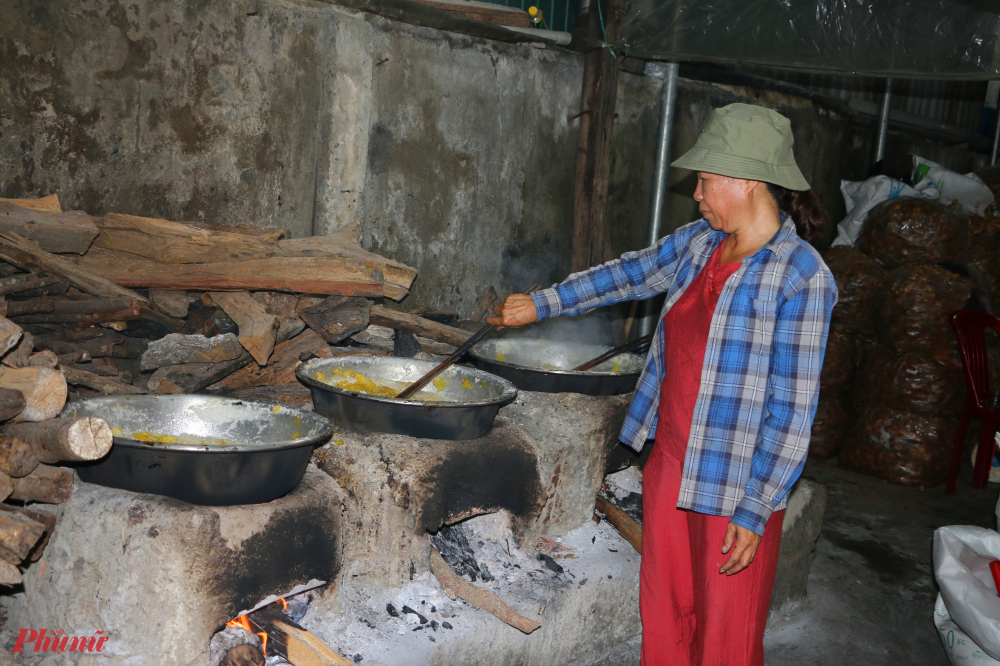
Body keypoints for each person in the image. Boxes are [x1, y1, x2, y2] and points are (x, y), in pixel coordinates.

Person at [486, 103, 837, 666]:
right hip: (671, 462)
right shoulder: (700, 243)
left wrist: (758, 507)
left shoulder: (800, 274)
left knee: (726, 636)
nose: (696, 195)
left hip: (736, 479)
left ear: (745, 180)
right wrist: (542, 303)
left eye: (703, 181)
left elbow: (793, 409)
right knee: (666, 617)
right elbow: (626, 273)